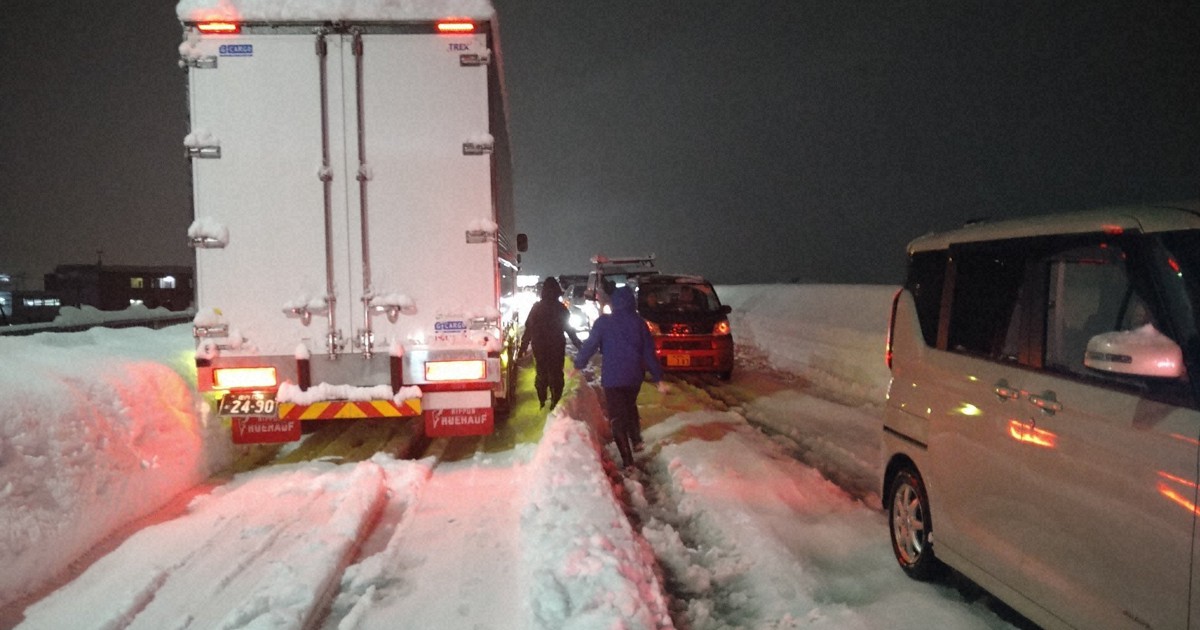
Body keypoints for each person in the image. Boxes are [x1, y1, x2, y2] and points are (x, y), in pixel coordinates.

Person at [572, 285, 667, 469]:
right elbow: (649, 352)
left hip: (613, 378)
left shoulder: (603, 322)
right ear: (632, 302)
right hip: (634, 378)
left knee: (617, 417)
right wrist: (658, 377)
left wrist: (578, 365)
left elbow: (590, 345)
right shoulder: (639, 323)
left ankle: (628, 461)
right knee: (629, 405)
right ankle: (636, 439)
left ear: (614, 303)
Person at [519, 277, 582, 410]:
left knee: (541, 373)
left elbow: (529, 328)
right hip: (556, 346)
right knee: (557, 374)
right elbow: (569, 329)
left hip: (539, 347)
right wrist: (578, 344)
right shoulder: (561, 309)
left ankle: (542, 401)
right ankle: (555, 401)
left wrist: (523, 347)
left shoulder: (536, 308)